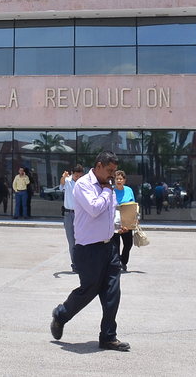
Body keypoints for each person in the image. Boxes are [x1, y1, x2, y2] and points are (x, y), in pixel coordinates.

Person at [50, 151, 129, 352]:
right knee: (89, 290)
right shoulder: (83, 185)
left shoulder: (107, 186)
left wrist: (119, 226)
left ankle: (108, 337)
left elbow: (109, 213)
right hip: (88, 249)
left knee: (112, 292)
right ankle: (61, 315)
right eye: (109, 170)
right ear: (99, 166)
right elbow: (94, 209)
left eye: (114, 171)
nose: (112, 175)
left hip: (110, 246)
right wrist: (106, 191)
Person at [60, 164, 85, 272]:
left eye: (80, 176)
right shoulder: (68, 181)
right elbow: (62, 184)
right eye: (76, 176)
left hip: (80, 214)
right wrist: (63, 177)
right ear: (72, 173)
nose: (78, 178)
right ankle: (75, 264)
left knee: (81, 239)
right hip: (69, 214)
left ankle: (82, 262)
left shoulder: (84, 183)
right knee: (71, 240)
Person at [112, 170, 136, 273]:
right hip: (114, 220)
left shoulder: (129, 190)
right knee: (115, 244)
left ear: (124, 180)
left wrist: (135, 219)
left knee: (128, 243)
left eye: (121, 179)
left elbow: (133, 205)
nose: (119, 181)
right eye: (117, 179)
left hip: (127, 220)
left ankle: (124, 261)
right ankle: (116, 263)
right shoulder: (111, 190)